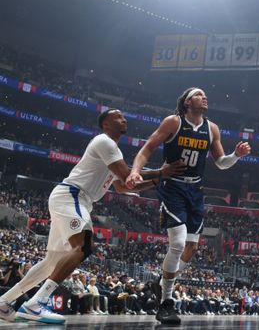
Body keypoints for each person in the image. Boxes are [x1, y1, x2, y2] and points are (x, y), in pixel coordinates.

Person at [0, 109, 181, 324]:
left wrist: (158, 180)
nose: (124, 119)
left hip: (72, 198)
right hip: (73, 195)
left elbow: (124, 187)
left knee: (51, 262)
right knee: (84, 247)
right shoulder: (105, 142)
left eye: (124, 117)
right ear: (105, 123)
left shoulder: (113, 152)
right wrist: (161, 172)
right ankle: (36, 303)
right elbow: (127, 175)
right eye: (118, 116)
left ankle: (4, 302)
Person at [125, 87, 251, 325]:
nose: (204, 97)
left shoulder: (211, 128)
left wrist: (235, 155)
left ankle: (161, 283)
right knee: (178, 244)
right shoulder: (174, 122)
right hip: (172, 187)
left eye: (205, 95)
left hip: (196, 190)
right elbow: (147, 148)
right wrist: (135, 171)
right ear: (186, 102)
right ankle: (166, 301)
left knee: (191, 249)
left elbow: (221, 163)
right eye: (199, 94)